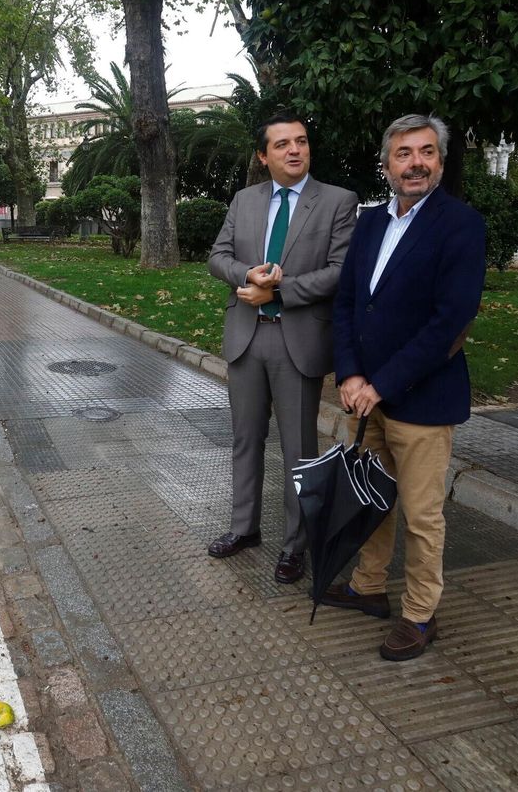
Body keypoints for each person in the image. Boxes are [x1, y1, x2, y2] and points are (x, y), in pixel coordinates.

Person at [325, 114, 486, 661]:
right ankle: (369, 587)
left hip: (420, 399)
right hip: (363, 395)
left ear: (440, 160)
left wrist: (382, 384)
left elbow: (450, 322)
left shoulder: (460, 225)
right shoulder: (370, 223)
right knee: (371, 500)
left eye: (426, 152)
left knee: (421, 514)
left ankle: (419, 613)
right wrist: (348, 373)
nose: (415, 162)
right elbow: (347, 302)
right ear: (387, 164)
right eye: (403, 154)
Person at [206, 112, 358, 584]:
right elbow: (218, 256)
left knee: (299, 449)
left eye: (302, 142)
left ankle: (297, 545)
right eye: (282, 145)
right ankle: (243, 528)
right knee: (245, 439)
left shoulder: (337, 201)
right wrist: (246, 275)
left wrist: (280, 290)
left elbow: (340, 270)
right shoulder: (244, 200)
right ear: (263, 155)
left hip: (299, 340)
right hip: (246, 337)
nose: (294, 150)